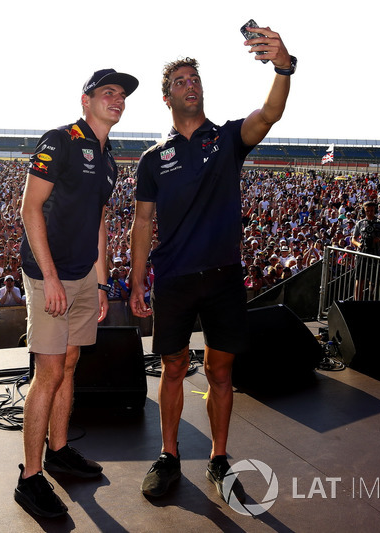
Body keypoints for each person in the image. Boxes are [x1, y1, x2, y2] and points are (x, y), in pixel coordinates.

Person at [129, 27, 294, 504]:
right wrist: (137, 280)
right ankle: (169, 455)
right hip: (175, 279)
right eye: (181, 81)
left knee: (221, 373)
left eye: (195, 78)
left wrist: (283, 68)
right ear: (166, 97)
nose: (191, 85)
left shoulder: (225, 139)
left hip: (223, 277)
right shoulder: (153, 159)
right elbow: (142, 222)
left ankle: (219, 458)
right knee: (174, 367)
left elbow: (270, 113)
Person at [14, 68, 138, 518]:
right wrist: (48, 276)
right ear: (85, 100)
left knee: (70, 361)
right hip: (50, 272)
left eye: (122, 95)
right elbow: (30, 209)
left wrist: (101, 281)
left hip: (85, 275)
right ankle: (30, 477)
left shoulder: (109, 159)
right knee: (47, 371)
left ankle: (59, 449)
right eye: (108, 92)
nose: (118, 99)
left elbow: (102, 221)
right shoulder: (60, 140)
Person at [351, 200, 380, 300]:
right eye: (367, 211)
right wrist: (359, 244)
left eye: (372, 210)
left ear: (375, 210)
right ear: (364, 211)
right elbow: (353, 239)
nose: (370, 213)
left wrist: (379, 240)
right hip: (362, 254)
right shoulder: (360, 223)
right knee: (359, 280)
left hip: (376, 255)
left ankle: (370, 301)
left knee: (373, 281)